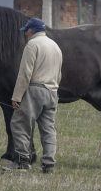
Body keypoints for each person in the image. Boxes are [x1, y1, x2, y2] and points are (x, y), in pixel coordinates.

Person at [9, 18, 63, 174]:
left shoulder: (32, 45)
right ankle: (48, 165)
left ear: (32, 30)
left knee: (19, 124)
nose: (25, 33)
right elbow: (59, 74)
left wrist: (17, 96)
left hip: (35, 90)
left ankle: (22, 161)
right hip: (52, 91)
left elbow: (25, 73)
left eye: (27, 30)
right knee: (48, 130)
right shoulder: (55, 46)